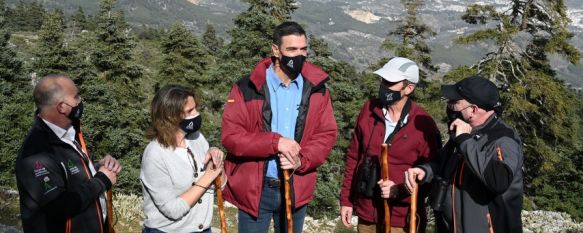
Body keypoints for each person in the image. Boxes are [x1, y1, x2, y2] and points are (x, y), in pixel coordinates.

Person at [221, 21, 337, 233]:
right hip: (256, 190)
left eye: (303, 50)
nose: (298, 56)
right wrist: (275, 142)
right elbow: (231, 137)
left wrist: (302, 160)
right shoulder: (246, 87)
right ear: (275, 50)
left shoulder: (317, 90)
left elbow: (326, 134)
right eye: (292, 49)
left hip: (296, 186)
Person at [404, 76, 524, 233]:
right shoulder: (465, 131)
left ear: (473, 109)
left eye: (455, 102)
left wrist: (464, 141)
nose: (450, 106)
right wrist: (425, 171)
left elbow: (498, 180)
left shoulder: (503, 140)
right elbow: (443, 162)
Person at [339, 57, 442, 233]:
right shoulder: (369, 110)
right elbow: (354, 157)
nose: (384, 86)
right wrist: (347, 200)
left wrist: (399, 191)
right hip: (366, 213)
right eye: (383, 81)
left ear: (409, 88)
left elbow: (433, 172)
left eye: (391, 82)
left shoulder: (424, 125)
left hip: (401, 220)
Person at [15, 74, 121, 233]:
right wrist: (102, 180)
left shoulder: (69, 133)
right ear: (62, 107)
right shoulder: (35, 154)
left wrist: (99, 166)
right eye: (76, 97)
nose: (80, 101)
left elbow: (73, 172)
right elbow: (59, 206)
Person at [140, 85, 226, 233]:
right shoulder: (155, 154)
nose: (197, 114)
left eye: (195, 108)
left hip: (203, 230)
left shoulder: (198, 139)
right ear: (170, 117)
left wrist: (217, 161)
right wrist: (208, 176)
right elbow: (173, 210)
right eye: (189, 111)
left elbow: (220, 185)